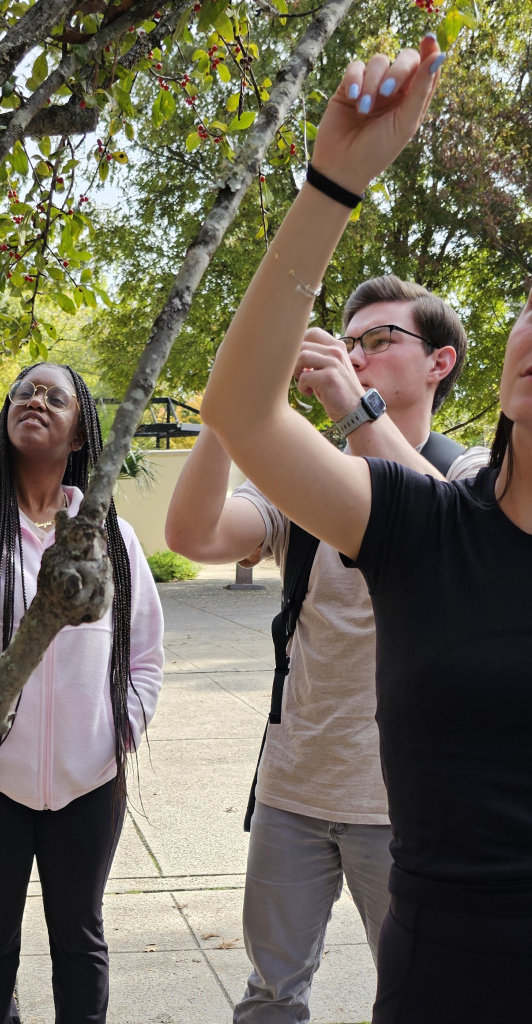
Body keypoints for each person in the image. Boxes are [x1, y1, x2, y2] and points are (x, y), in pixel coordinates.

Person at [200, 33, 532, 1023]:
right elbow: (244, 413)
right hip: (438, 984)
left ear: (442, 365)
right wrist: (329, 186)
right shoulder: (431, 525)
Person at [165, 271, 488, 1022]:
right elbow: (192, 535)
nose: (358, 355)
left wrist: (352, 406)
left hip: (409, 803)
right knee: (272, 993)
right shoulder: (306, 484)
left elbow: (450, 542)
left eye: (381, 340)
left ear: (439, 362)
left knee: (424, 996)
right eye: (350, 343)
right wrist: (230, 404)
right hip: (295, 790)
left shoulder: (470, 473)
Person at [0, 352, 164, 1024]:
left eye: (54, 395)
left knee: (80, 940)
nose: (35, 400)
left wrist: (115, 735)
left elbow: (146, 656)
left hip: (89, 785)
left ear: (79, 434)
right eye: (23, 391)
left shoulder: (109, 538)